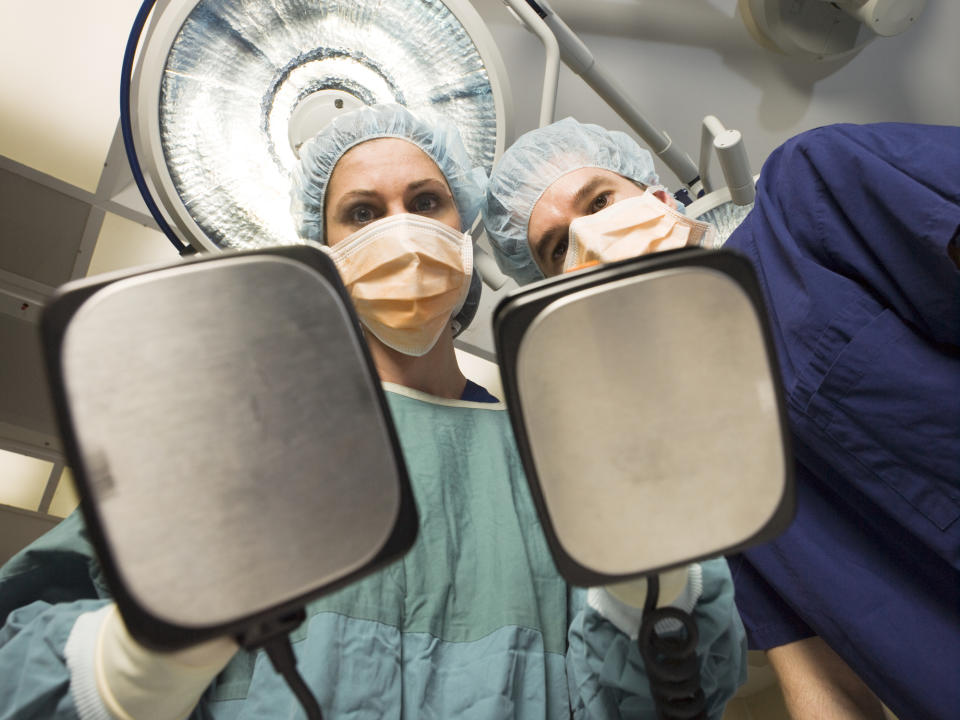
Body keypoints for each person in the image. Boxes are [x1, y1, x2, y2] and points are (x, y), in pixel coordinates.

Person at [0, 104, 746, 719]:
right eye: (362, 213)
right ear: (323, 253)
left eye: (425, 203)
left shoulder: (565, 462)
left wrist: (649, 585)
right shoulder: (241, 446)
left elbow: (671, 701)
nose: (400, 231)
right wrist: (138, 664)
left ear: (465, 234)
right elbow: (17, 657)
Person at [483, 117, 960, 720]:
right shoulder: (680, 488)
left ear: (657, 199)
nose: (591, 238)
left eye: (600, 201)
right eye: (557, 249)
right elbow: (821, 687)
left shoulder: (810, 195)